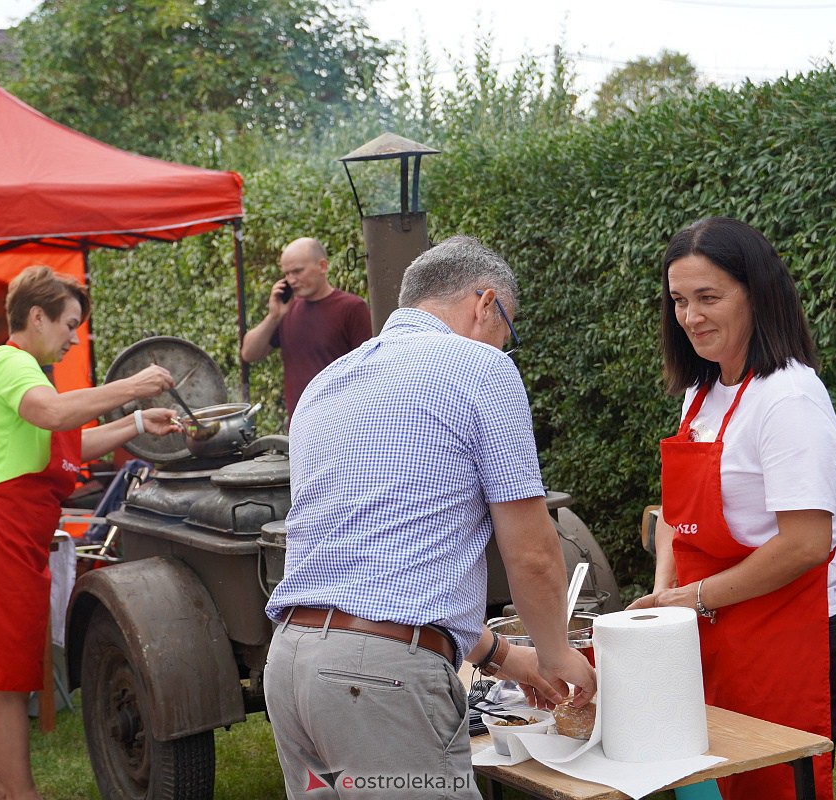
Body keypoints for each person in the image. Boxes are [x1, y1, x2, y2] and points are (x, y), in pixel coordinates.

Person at [263, 235, 596, 799]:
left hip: (291, 664)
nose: (503, 347)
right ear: (485, 303)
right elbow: (533, 552)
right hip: (378, 680)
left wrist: (509, 659)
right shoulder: (481, 368)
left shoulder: (327, 383)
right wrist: (560, 652)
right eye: (506, 332)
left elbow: (385, 569)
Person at [628, 217, 836, 800]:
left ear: (757, 294)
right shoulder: (703, 390)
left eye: (709, 298)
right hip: (716, 621)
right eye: (679, 301)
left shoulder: (788, 398)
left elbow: (805, 543)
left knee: (770, 787)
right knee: (710, 780)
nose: (691, 317)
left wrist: (688, 599)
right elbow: (677, 513)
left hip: (793, 632)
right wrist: (666, 597)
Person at [0, 265, 182, 800]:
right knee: (9, 678)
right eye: (69, 324)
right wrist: (132, 386)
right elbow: (53, 414)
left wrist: (137, 422)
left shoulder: (22, 373)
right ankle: (21, 795)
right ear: (37, 316)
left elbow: (66, 444)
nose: (73, 337)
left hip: (6, 533)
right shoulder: (10, 365)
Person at [239, 237, 371, 419]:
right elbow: (249, 354)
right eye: (286, 274)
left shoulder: (351, 308)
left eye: (297, 271)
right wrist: (273, 316)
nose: (291, 280)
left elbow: (369, 370)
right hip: (299, 424)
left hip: (342, 421)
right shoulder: (287, 309)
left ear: (322, 266)